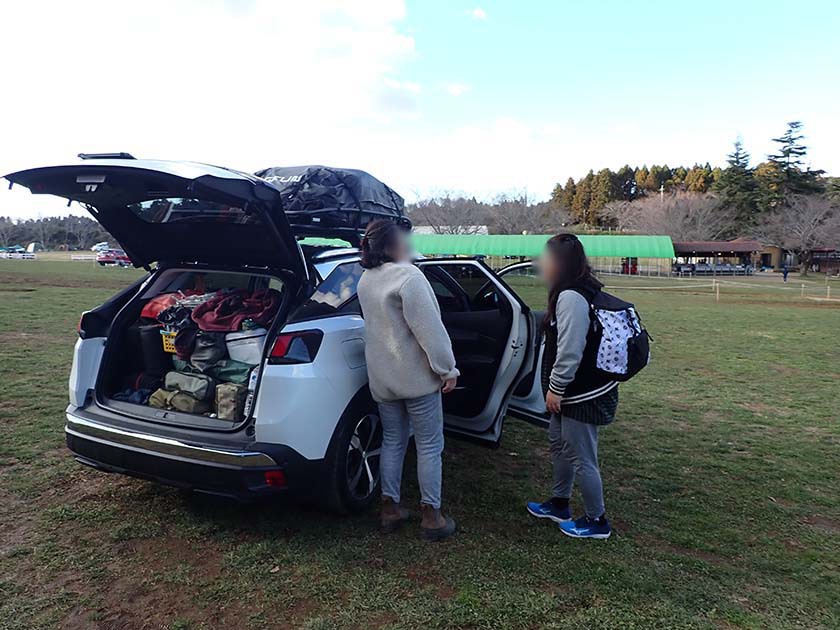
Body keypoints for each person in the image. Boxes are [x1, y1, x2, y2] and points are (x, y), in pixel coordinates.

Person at [356, 219, 459, 541]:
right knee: (430, 445)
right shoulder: (410, 277)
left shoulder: (364, 279)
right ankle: (432, 516)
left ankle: (390, 509)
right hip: (416, 379)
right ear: (390, 246)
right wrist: (447, 369)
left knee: (393, 441)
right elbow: (429, 330)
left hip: (382, 378)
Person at [526, 233, 619, 540]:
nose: (542, 264)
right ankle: (559, 503)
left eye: (547, 258)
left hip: (580, 393)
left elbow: (570, 349)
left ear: (560, 263)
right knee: (561, 445)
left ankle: (597, 521)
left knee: (582, 456)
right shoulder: (574, 291)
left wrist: (556, 388)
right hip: (575, 391)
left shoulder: (572, 297)